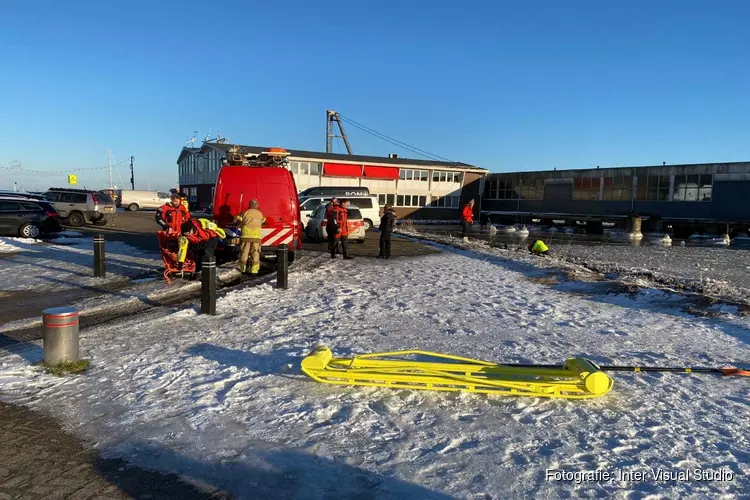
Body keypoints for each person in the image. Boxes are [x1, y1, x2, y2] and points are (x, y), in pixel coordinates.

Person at [234, 199, 266, 274]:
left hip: (245, 237)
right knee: (255, 253)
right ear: (257, 205)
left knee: (244, 253)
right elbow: (264, 223)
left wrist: (236, 219)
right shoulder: (260, 214)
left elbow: (237, 222)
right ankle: (254, 270)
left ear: (249, 205)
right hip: (256, 238)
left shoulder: (244, 213)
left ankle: (243, 269)